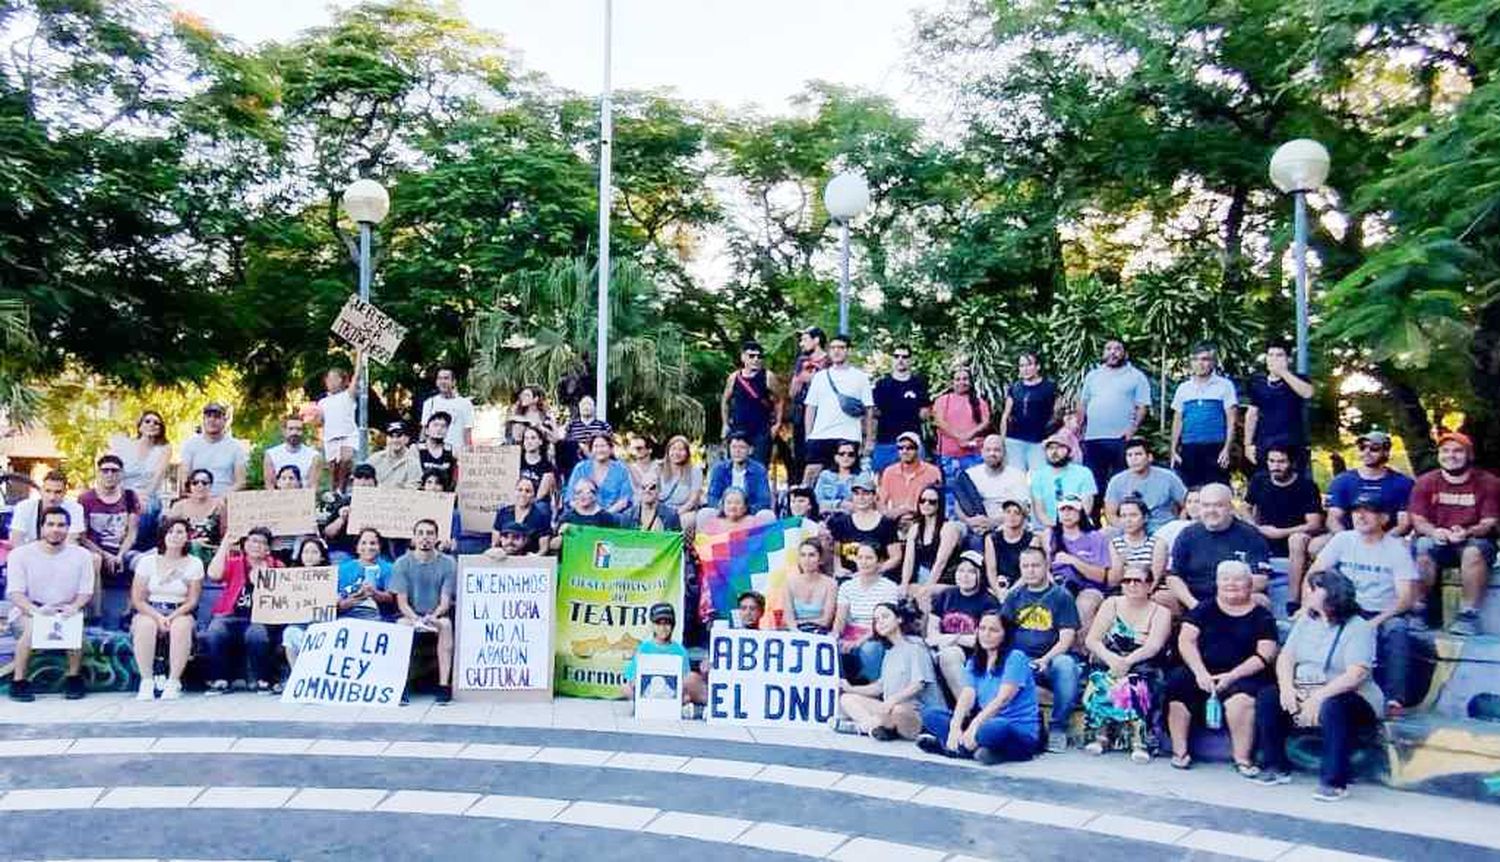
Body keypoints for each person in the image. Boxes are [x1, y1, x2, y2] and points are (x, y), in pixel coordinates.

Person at [1254, 571, 1384, 801]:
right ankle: (1275, 766)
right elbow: (1286, 657)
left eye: (1314, 589)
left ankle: (1334, 782)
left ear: (1331, 594)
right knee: (1268, 697)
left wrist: (1318, 698)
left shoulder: (1358, 627)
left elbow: (1356, 674)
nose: (1307, 593)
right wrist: (1287, 688)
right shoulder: (1306, 620)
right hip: (1304, 687)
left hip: (1349, 695)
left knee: (1335, 707)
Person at [1306, 493, 1417, 710]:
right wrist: (1307, 606)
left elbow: (1405, 598)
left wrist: (1374, 623)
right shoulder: (1342, 540)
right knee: (1306, 624)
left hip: (1382, 612)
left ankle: (1395, 699)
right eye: (1356, 511)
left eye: (1369, 511)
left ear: (1384, 518)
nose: (1361, 516)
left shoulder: (1397, 549)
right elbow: (1314, 575)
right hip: (1345, 608)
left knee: (1397, 629)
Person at [1164, 561, 1278, 773]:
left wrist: (1232, 676)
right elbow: (1186, 640)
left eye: (1238, 579)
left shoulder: (1262, 616)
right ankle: (1180, 752)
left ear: (1250, 583)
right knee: (1178, 683)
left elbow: (1265, 654)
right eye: (1225, 579)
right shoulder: (1204, 609)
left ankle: (1242, 759)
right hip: (1203, 670)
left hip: (1244, 673)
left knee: (1242, 701)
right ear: (1217, 582)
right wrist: (1200, 673)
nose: (1231, 584)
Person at [1295, 430, 1414, 607]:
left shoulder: (1402, 483)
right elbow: (1333, 518)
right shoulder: (1343, 480)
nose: (1366, 452)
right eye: (1362, 447)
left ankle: (1404, 601)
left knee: (1407, 549)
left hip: (1386, 535)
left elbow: (1404, 523)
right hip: (1349, 534)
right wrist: (1349, 540)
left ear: (1386, 452)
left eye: (1373, 448)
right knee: (1316, 546)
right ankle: (1326, 594)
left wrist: (1382, 540)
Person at [916, 609, 1041, 763]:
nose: (986, 634)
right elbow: (967, 696)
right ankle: (978, 751)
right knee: (930, 714)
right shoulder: (975, 661)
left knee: (993, 728)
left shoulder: (1016, 658)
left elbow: (1002, 700)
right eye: (982, 628)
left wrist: (974, 725)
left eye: (993, 630)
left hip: (1014, 729)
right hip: (984, 723)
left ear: (1005, 634)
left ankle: (955, 749)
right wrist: (955, 727)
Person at [1409, 431, 1499, 636]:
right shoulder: (1425, 481)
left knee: (1474, 552)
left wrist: (1467, 532)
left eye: (1458, 451)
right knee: (1422, 546)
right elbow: (1418, 520)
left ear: (1469, 455)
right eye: (1445, 451)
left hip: (1474, 541)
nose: (1451, 455)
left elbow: (1489, 522)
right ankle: (1421, 610)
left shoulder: (1489, 482)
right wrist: (1435, 531)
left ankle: (1468, 615)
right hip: (1438, 540)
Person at [1081, 564, 1170, 761]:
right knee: (1102, 680)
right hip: (1110, 658)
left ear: (1149, 585)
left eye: (1137, 581)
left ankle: (1140, 741)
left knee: (1136, 683)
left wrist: (1126, 662)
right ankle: (1101, 736)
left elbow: (1154, 646)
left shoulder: (1161, 612)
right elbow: (1092, 640)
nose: (1131, 585)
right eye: (1126, 580)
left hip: (1144, 661)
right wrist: (1112, 659)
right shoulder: (1111, 603)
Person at [5, 507, 94, 702]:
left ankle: (73, 677)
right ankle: (19, 680)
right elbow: (15, 593)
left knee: (74, 628)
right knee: (33, 628)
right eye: (51, 524)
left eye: (61, 525)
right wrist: (35, 611)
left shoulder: (82, 555)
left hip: (66, 608)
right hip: (29, 609)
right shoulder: (21, 554)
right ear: (42, 527)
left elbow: (86, 591)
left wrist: (74, 607)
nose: (56, 529)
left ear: (68, 528)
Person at [1001, 546, 1082, 752]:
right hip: (1020, 660)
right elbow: (1002, 633)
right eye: (1025, 566)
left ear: (1046, 566)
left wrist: (1044, 660)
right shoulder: (1014, 596)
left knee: (1066, 665)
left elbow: (1066, 639)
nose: (1030, 570)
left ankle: (1057, 727)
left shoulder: (1061, 596)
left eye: (1035, 565)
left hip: (1051, 661)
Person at [839, 602, 945, 740]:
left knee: (898, 711)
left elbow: (919, 684)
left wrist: (891, 701)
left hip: (916, 712)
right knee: (847, 699)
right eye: (876, 620)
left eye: (885, 616)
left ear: (899, 619)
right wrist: (851, 688)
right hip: (890, 708)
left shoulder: (915, 647)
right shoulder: (889, 653)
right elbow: (879, 687)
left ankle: (864, 727)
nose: (880, 622)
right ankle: (874, 727)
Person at [1164, 483, 1271, 612]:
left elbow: (1260, 580)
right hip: (1194, 600)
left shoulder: (1251, 535)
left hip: (1233, 597)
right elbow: (1173, 577)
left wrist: (1221, 601)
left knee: (1259, 600)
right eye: (1206, 505)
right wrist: (1195, 605)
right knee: (1162, 598)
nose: (1211, 511)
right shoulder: (1187, 535)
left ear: (1231, 507)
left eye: (1218, 505)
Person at [128, 517, 203, 700]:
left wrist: (172, 617)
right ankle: (146, 680)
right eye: (170, 532)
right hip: (150, 609)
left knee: (181, 626)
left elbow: (192, 600)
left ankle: (173, 681)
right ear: (163, 535)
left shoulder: (194, 563)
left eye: (179, 532)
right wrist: (158, 617)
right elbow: (138, 599)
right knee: (145, 625)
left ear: (187, 536)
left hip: (180, 610)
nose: (175, 536)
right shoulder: (147, 562)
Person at [203, 527, 284, 695]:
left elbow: (284, 596)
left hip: (260, 618)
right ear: (245, 544)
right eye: (253, 541)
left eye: (262, 543)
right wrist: (225, 543)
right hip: (230, 616)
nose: (257, 546)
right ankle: (221, 679)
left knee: (256, 634)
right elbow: (213, 574)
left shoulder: (277, 566)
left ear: (268, 548)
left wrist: (264, 580)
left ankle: (263, 679)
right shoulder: (235, 562)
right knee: (215, 631)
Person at [1246, 444, 1324, 608]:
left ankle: (1293, 600)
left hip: (1295, 538)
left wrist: (1280, 532)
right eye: (1272, 461)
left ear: (1291, 463)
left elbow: (1314, 524)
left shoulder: (1306, 486)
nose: (1276, 466)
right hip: (1262, 535)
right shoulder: (1259, 480)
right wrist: (1254, 527)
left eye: (1281, 462)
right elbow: (1245, 508)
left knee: (1296, 540)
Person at [1079, 338, 1152, 509]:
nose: (1113, 352)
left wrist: (1132, 429)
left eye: (1117, 349)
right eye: (1108, 348)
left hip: (1121, 439)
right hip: (1093, 438)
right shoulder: (1092, 376)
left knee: (1122, 482)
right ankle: (1094, 525)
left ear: (1125, 353)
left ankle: (1121, 520)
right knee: (1094, 483)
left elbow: (1142, 406)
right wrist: (1080, 430)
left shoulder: (1136, 376)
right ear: (1103, 353)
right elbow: (1083, 404)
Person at [391, 518, 458, 705]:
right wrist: (416, 619)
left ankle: (444, 685)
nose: (425, 538)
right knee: (401, 626)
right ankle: (400, 685)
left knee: (446, 625)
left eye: (429, 533)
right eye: (420, 533)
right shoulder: (401, 563)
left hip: (436, 614)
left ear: (436, 537)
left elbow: (445, 600)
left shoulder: (448, 563)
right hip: (410, 615)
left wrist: (433, 617)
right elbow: (402, 602)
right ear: (414, 538)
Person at [801, 333, 875, 487]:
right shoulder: (820, 377)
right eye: (833, 348)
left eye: (841, 348)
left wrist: (868, 440)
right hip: (821, 435)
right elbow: (810, 407)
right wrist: (809, 435)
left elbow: (869, 410)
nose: (836, 351)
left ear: (848, 351)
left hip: (849, 436)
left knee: (847, 481)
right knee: (811, 478)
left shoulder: (860, 377)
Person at [927, 550, 1002, 698]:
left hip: (974, 654)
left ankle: (968, 709)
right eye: (961, 570)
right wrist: (954, 639)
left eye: (971, 572)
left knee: (950, 654)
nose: (965, 576)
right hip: (943, 647)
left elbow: (983, 639)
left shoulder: (989, 602)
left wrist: (951, 638)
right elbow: (932, 631)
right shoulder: (946, 595)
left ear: (980, 575)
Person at [1046, 494, 1118, 636]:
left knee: (1084, 607)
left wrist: (1073, 560)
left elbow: (1100, 576)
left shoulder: (1095, 537)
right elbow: (1043, 566)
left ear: (1080, 513)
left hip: (1089, 587)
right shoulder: (1050, 536)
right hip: (1057, 585)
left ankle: (1081, 652)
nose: (1067, 514)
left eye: (1071, 509)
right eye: (1063, 510)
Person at [1169, 343, 1238, 488]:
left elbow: (1232, 421)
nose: (1200, 363)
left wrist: (1226, 449)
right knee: (1190, 491)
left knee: (1217, 489)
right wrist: (1173, 450)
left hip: (1215, 447)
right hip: (1189, 448)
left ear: (1213, 362)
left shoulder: (1225, 386)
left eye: (1205, 359)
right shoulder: (1183, 388)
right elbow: (1178, 420)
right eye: (1195, 359)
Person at [832, 542, 903, 682]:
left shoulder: (889, 587)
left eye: (869, 558)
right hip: (850, 633)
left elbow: (884, 622)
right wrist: (834, 637)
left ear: (880, 561)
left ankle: (873, 688)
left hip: (877, 634)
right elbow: (840, 619)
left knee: (870, 649)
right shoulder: (847, 586)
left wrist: (858, 642)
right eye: (860, 558)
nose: (864, 562)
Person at [621, 602, 705, 712]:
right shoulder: (643, 648)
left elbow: (685, 678)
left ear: (672, 625)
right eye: (658, 624)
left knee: (692, 679)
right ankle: (645, 706)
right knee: (625, 688)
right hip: (649, 690)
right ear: (653, 625)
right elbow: (631, 677)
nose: (663, 628)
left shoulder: (680, 650)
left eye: (667, 623)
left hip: (671, 691)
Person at [1244, 344, 1314, 470]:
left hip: (1293, 446)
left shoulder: (1299, 379)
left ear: (1288, 359)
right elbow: (1251, 414)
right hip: (1265, 444)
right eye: (1270, 355)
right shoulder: (1258, 383)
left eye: (1279, 355)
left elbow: (1307, 393)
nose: (1274, 359)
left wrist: (1283, 372)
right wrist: (1247, 444)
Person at [109, 410, 170, 552]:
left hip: (148, 494)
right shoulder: (126, 446)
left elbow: (157, 478)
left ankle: (135, 552)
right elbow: (115, 473)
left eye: (156, 423)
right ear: (140, 426)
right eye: (147, 421)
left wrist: (142, 497)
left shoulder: (164, 449)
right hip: (123, 493)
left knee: (146, 508)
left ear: (161, 428)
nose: (152, 424)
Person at [952, 435, 1031, 537]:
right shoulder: (970, 475)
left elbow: (1023, 508)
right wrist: (969, 521)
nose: (992, 453)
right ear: (982, 452)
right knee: (950, 527)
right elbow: (958, 504)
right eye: (988, 450)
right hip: (973, 523)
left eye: (997, 450)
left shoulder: (1017, 475)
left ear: (1004, 453)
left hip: (1004, 525)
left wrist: (992, 522)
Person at [826, 476, 903, 580]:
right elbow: (837, 552)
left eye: (866, 493)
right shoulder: (841, 522)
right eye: (857, 494)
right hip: (848, 578)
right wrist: (838, 568)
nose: (861, 498)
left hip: (877, 578)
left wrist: (875, 570)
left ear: (874, 496)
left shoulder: (886, 524)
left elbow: (896, 556)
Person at [720, 340, 782, 469]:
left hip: (761, 430)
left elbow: (779, 400)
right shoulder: (734, 378)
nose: (756, 360)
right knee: (735, 466)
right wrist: (725, 424)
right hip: (738, 428)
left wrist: (777, 424)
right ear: (743, 357)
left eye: (759, 356)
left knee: (759, 467)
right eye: (751, 356)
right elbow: (725, 401)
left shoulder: (768, 377)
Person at [870, 344, 931, 473]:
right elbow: (874, 414)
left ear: (911, 360)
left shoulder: (919, 383)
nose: (900, 359)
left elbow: (925, 412)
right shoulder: (882, 384)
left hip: (912, 443)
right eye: (896, 356)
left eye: (904, 356)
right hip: (885, 442)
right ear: (892, 359)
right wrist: (870, 440)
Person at [78, 454, 141, 580]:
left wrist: (120, 555)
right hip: (95, 552)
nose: (109, 474)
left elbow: (132, 533)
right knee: (92, 561)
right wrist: (105, 555)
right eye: (105, 471)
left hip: (123, 552)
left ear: (121, 474)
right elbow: (82, 537)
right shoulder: (85, 499)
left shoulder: (130, 496)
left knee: (143, 562)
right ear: (98, 473)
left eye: (114, 471)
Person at [1103, 439, 1186, 533]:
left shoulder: (1168, 477)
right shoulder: (1117, 481)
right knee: (1107, 532)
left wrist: (1179, 524)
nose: (1133, 459)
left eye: (1138, 454)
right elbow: (1110, 514)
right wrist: (1127, 529)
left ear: (1149, 457)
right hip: (1129, 529)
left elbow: (1186, 504)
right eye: (1129, 455)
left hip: (1163, 527)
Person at [901, 485, 964, 603]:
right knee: (904, 590)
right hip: (921, 576)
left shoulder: (949, 528)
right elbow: (908, 560)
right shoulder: (915, 528)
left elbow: (941, 562)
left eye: (932, 502)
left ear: (939, 504)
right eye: (922, 501)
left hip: (945, 579)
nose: (926, 504)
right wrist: (904, 583)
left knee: (926, 594)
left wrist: (927, 587)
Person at [999, 351, 1059, 474]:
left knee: (1038, 476)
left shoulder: (1050, 387)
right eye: (1022, 366)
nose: (1025, 369)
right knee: (1016, 477)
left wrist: (1052, 439)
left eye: (1029, 365)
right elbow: (1006, 415)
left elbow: (1057, 415)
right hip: (1014, 441)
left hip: (1039, 442)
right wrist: (1002, 441)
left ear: (1038, 367)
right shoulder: (1015, 388)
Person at [932, 367, 991, 487]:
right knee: (951, 491)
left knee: (975, 489)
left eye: (965, 379)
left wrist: (968, 435)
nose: (961, 382)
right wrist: (959, 437)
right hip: (949, 456)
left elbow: (986, 422)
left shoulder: (979, 402)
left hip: (974, 454)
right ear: (952, 382)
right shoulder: (943, 400)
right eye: (957, 379)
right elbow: (939, 422)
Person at [701, 432, 774, 529]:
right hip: (724, 511)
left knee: (767, 515)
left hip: (749, 513)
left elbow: (764, 500)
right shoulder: (719, 469)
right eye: (734, 447)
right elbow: (712, 497)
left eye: (742, 448)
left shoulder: (759, 470)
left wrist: (742, 510)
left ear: (750, 450)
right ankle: (707, 544)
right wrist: (727, 510)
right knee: (704, 514)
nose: (737, 451)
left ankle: (761, 544)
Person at [279, 537, 332, 665]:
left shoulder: (331, 577)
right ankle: (295, 676)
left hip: (322, 625)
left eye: (314, 552)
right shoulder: (290, 577)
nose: (309, 556)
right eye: (306, 552)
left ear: (322, 557)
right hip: (298, 624)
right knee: (289, 634)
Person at [787, 326, 830, 479]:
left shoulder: (830, 361)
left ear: (816, 340)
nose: (801, 344)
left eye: (805, 339)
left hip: (823, 417)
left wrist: (813, 378)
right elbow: (792, 392)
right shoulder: (801, 361)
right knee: (801, 456)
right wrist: (799, 378)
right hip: (801, 414)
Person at [1029, 433, 1098, 529]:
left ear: (1069, 451)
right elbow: (1039, 511)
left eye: (1060, 447)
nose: (1054, 452)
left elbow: (1087, 508)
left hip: (1078, 527)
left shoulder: (1084, 473)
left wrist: (1068, 528)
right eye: (1050, 448)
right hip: (1048, 528)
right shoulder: (1038, 476)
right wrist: (1056, 528)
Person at [179, 402, 247, 496]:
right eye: (208, 416)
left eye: (217, 417)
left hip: (224, 500)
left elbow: (241, 482)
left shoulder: (236, 447)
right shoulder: (190, 444)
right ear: (203, 420)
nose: (212, 420)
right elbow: (184, 477)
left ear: (224, 421)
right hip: (197, 499)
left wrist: (221, 498)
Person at [878, 431, 942, 525]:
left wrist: (906, 510)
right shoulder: (889, 472)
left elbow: (937, 502)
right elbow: (881, 502)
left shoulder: (932, 472)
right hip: (896, 520)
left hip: (923, 520)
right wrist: (889, 514)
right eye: (901, 448)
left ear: (918, 450)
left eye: (910, 448)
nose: (904, 451)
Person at [9, 470, 85, 546]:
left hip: (62, 554)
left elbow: (71, 541)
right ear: (41, 490)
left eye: (58, 492)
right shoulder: (24, 507)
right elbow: (16, 540)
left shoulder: (75, 509)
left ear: (65, 492)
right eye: (48, 491)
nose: (52, 497)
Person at [318, 463, 378, 560]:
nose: (363, 482)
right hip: (346, 551)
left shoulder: (384, 503)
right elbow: (328, 532)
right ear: (353, 482)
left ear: (375, 482)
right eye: (359, 478)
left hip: (376, 551)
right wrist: (341, 519)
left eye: (367, 478)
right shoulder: (344, 502)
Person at [565, 433, 634, 514]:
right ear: (591, 450)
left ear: (611, 449)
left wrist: (604, 515)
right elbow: (570, 498)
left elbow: (625, 499)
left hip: (612, 516)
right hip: (582, 515)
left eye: (603, 446)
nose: (599, 450)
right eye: (596, 446)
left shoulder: (621, 469)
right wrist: (585, 514)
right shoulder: (581, 468)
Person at [167, 468, 225, 564]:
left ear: (211, 485)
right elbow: (168, 534)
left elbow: (224, 533)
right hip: (184, 553)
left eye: (204, 483)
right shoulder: (179, 507)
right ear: (190, 485)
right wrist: (191, 543)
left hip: (212, 556)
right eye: (195, 482)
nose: (200, 486)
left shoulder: (219, 506)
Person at [783, 538, 837, 633]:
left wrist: (802, 623)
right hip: (794, 632)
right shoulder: (789, 582)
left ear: (820, 559)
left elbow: (826, 621)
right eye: (803, 555)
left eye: (811, 555)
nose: (807, 560)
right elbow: (789, 619)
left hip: (820, 632)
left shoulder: (831, 584)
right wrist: (796, 631)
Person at [490, 476, 552, 554]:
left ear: (534, 495)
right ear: (515, 492)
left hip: (529, 560)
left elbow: (544, 549)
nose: (523, 494)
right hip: (504, 558)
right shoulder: (503, 513)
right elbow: (495, 544)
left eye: (528, 491)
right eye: (520, 490)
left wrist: (534, 559)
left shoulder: (542, 517)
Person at [550, 478, 617, 551]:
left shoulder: (606, 517)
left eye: (587, 492)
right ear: (574, 496)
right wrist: (562, 536)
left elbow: (614, 543)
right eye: (578, 492)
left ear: (595, 496)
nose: (582, 496)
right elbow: (553, 546)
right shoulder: (567, 517)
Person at [983, 499, 1035, 591]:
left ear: (1024, 517)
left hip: (1021, 587)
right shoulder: (991, 538)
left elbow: (1027, 572)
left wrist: (1011, 592)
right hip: (997, 586)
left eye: (1017, 513)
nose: (1012, 516)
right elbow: (991, 570)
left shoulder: (1032, 539)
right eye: (1008, 512)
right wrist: (998, 591)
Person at [263, 415, 324, 492]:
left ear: (303, 432)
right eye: (291, 429)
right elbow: (269, 485)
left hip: (304, 499)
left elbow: (313, 486)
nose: (294, 432)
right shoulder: (271, 454)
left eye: (298, 429)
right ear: (284, 431)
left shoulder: (314, 456)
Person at [420, 367, 475, 451]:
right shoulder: (429, 403)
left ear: (453, 382)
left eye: (446, 378)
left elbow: (467, 431)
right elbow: (424, 429)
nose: (443, 382)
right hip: (434, 454)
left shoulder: (465, 404)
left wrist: (468, 451)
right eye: (440, 379)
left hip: (456, 453)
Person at [558, 394, 610, 480]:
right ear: (579, 407)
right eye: (583, 404)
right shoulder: (571, 426)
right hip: (574, 465)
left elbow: (610, 446)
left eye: (589, 404)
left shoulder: (603, 426)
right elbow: (565, 445)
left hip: (597, 463)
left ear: (594, 407)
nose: (586, 407)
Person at [814, 440, 871, 515]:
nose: (846, 457)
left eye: (850, 454)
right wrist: (839, 504)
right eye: (842, 454)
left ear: (855, 457)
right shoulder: (825, 475)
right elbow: (817, 501)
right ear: (836, 457)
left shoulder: (862, 476)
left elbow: (863, 502)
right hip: (826, 516)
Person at [1108, 496, 1157, 584]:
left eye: (1133, 515)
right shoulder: (1114, 543)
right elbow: (1113, 581)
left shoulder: (1156, 543)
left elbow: (1156, 578)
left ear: (1145, 518)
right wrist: (1121, 561)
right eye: (1123, 516)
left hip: (1149, 590)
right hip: (1123, 590)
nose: (1128, 520)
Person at [657, 435, 703, 526]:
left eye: (681, 449)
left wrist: (675, 514)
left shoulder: (695, 471)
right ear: (668, 451)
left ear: (687, 453)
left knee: (685, 521)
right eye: (673, 449)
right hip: (661, 511)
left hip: (684, 511)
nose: (677, 453)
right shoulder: (658, 468)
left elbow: (693, 500)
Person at [367, 421, 422, 490]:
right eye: (391, 436)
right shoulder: (375, 459)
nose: (395, 440)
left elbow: (414, 487)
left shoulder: (413, 462)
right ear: (386, 439)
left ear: (407, 439)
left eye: (399, 436)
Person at [516, 424, 559, 505]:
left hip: (536, 504)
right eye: (526, 438)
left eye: (533, 438)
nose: (529, 441)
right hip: (517, 500)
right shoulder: (517, 461)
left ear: (540, 441)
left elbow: (540, 496)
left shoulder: (547, 466)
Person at [416, 412, 459, 490]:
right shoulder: (416, 450)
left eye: (443, 426)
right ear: (426, 430)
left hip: (444, 497)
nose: (439, 429)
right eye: (435, 425)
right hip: (420, 495)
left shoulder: (452, 451)